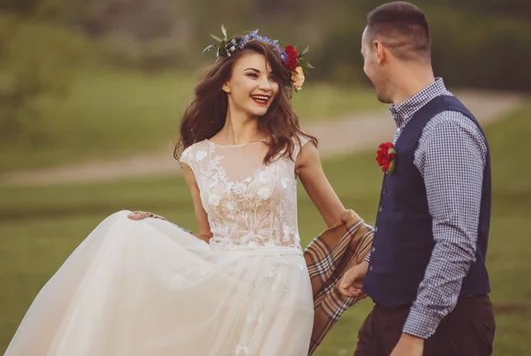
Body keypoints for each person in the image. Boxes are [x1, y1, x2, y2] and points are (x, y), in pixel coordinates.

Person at [6, 30, 351, 356]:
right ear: (227, 83)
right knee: (123, 227)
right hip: (225, 288)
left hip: (283, 291)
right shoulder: (196, 157)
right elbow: (207, 237)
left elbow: (342, 224)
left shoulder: (294, 148)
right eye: (253, 75)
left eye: (274, 77)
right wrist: (156, 231)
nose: (267, 86)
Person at [339, 1, 496, 356]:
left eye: (363, 55)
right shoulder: (416, 122)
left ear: (379, 52)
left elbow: (456, 242)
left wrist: (414, 335)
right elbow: (415, 218)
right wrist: (378, 269)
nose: (365, 66)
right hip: (393, 316)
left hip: (441, 329)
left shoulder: (445, 129)